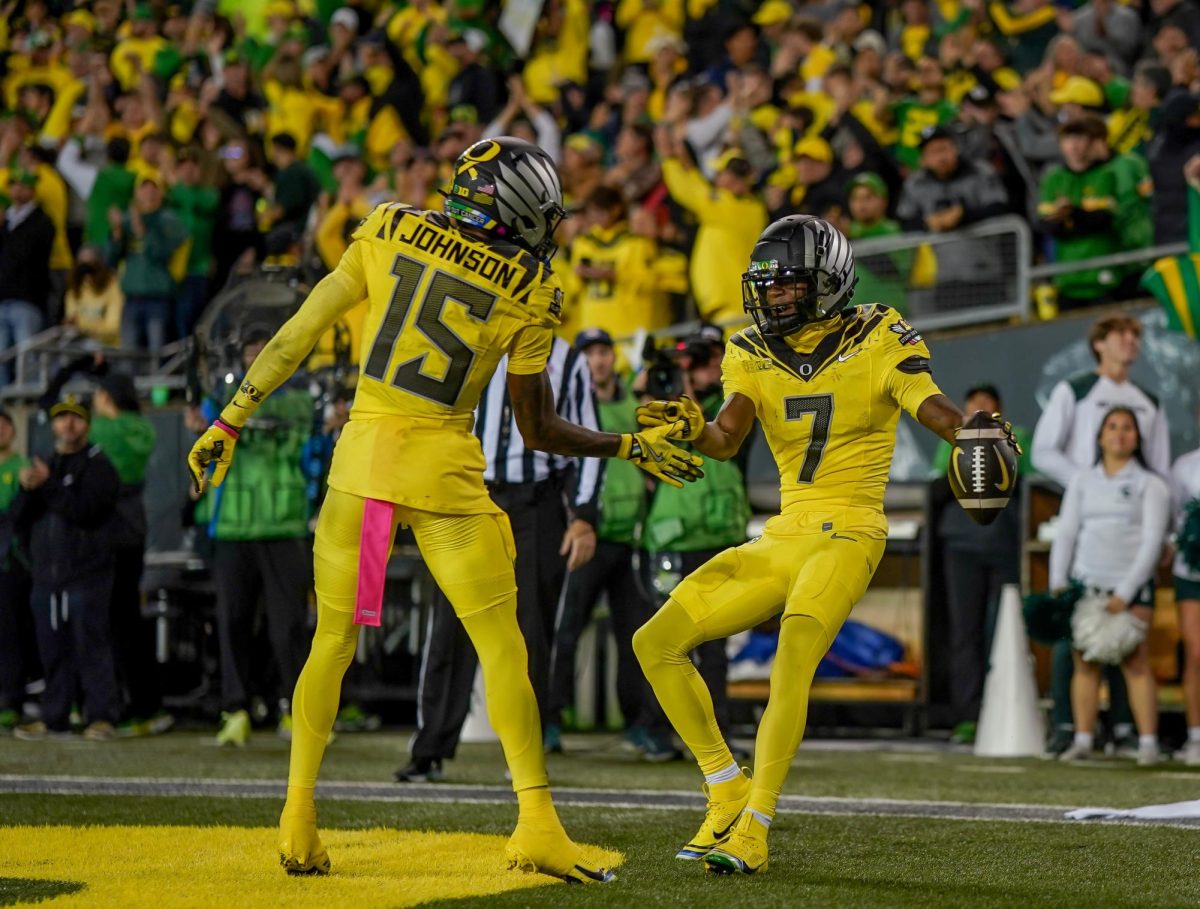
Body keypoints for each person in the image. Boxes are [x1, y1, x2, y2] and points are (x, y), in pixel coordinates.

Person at [186, 136, 701, 882]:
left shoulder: (391, 225)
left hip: (365, 474)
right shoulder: (530, 288)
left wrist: (227, 419)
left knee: (332, 643)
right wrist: (626, 446)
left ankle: (298, 816)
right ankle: (536, 821)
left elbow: (296, 335)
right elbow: (539, 427)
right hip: (448, 480)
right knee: (502, 645)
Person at [631, 214, 1017, 875]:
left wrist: (973, 431)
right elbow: (728, 437)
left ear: (830, 282)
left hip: (852, 530)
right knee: (654, 641)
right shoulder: (748, 346)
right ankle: (725, 783)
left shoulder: (877, 330)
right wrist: (693, 426)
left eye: (788, 285)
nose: (774, 298)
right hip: (784, 532)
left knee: (792, 656)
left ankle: (755, 825)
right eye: (768, 287)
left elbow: (931, 405)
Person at [398, 332, 601, 778]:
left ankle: (524, 751)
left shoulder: (567, 359)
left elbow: (587, 439)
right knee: (449, 623)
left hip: (535, 503)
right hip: (469, 494)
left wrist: (584, 516)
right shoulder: (469, 343)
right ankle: (429, 747)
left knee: (531, 628)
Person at [1032, 313, 1169, 754]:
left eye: (1136, 335)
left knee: (1131, 649)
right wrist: (1092, 482)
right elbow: (1043, 451)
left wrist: (1151, 515)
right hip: (1087, 519)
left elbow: (1162, 469)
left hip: (1134, 531)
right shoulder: (1074, 390)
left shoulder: (1148, 400)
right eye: (1121, 335)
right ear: (1099, 343)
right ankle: (1072, 730)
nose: (1131, 341)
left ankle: (1130, 733)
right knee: (1078, 643)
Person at [545, 328, 673, 759]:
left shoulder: (631, 406)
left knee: (634, 637)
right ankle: (548, 721)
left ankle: (639, 723)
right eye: (590, 353)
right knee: (565, 631)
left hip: (629, 538)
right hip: (586, 536)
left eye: (604, 352)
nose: (598, 361)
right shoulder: (568, 406)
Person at [190, 328, 315, 747]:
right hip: (232, 527)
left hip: (284, 525)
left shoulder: (300, 403)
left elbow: (309, 445)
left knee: (289, 627)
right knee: (233, 623)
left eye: (267, 354)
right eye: (252, 354)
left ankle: (295, 712)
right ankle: (236, 710)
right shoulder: (220, 402)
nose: (258, 360)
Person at [638, 324, 751, 754]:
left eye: (712, 360)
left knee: (717, 647)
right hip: (673, 536)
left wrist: (691, 381)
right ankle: (656, 732)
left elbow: (716, 424)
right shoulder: (665, 399)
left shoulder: (737, 401)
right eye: (702, 361)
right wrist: (661, 380)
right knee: (663, 638)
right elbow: (651, 427)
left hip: (719, 537)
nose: (707, 369)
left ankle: (717, 736)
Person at [1051, 407, 1170, 766]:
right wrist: (1058, 580)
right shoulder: (1082, 482)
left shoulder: (1151, 485)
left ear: (1137, 438)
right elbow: (1067, 532)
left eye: (1128, 428)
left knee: (1137, 664)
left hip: (1130, 588)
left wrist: (1127, 590)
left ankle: (1148, 743)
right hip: (1087, 583)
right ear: (1100, 436)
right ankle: (1083, 739)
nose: (1120, 434)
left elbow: (1153, 541)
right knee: (1084, 663)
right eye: (1113, 427)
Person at [11, 394, 121, 742]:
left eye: (75, 417)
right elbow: (18, 519)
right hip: (46, 576)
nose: (67, 424)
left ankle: (100, 716)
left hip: (87, 574)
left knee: (92, 647)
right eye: (61, 418)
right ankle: (54, 715)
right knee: (52, 649)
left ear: (87, 423)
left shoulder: (98, 464)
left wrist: (48, 485)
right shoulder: (46, 463)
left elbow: (86, 510)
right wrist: (26, 489)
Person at [930, 384, 1032, 745]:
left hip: (1004, 544)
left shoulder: (1016, 438)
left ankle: (1002, 706)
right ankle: (967, 715)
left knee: (1002, 629)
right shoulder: (950, 438)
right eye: (974, 402)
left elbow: (1029, 482)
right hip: (961, 545)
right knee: (965, 632)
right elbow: (939, 482)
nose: (980, 408)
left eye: (989, 403)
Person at [0, 168, 55, 383]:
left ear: (32, 191)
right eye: (14, 185)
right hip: (2, 296)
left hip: (27, 298)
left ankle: (28, 398)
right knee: (1, 355)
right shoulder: (7, 221)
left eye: (23, 186)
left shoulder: (42, 221)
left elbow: (26, 253)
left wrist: (5, 229)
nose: (17, 190)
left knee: (28, 353)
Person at [0, 408, 32, 731]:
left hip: (10, 563)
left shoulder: (23, 468)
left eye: (4, 426)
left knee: (9, 634)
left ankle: (11, 700)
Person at [1168, 442, 1200, 765]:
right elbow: (1176, 516)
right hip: (1191, 571)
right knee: (1196, 653)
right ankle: (1196, 736)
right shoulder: (1185, 466)